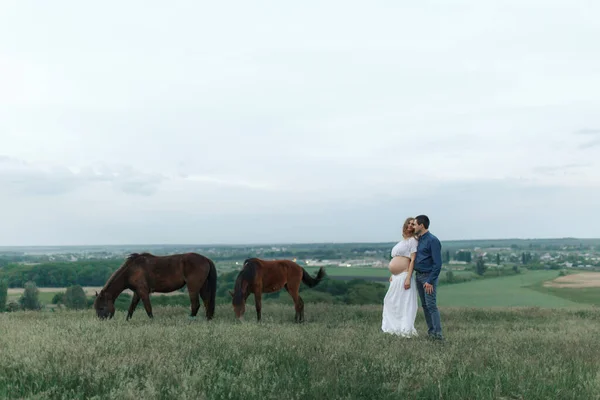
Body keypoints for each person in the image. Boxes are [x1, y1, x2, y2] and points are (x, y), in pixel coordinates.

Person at [381, 217, 419, 337]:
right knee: (391, 302)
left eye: (413, 224)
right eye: (408, 223)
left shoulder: (413, 241)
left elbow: (412, 260)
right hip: (396, 277)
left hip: (404, 276)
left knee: (404, 304)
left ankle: (404, 330)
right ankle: (392, 328)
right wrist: (393, 274)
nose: (410, 225)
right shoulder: (403, 241)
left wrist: (408, 277)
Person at [411, 215, 444, 340]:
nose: (413, 226)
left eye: (415, 224)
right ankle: (431, 333)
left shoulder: (432, 240)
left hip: (428, 277)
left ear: (421, 225)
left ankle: (438, 335)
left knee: (431, 306)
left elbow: (437, 264)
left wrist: (430, 281)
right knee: (425, 306)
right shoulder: (419, 239)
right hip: (418, 276)